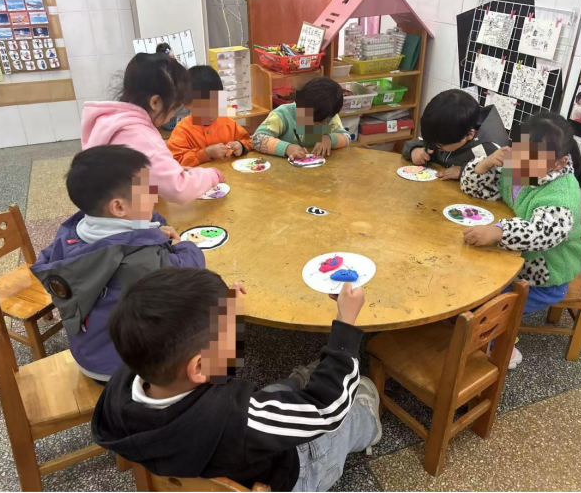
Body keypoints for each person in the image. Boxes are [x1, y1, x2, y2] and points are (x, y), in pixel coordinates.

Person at [91, 269, 383, 492]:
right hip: (290, 475)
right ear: (199, 366)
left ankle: (311, 379)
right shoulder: (236, 419)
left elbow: (212, 373)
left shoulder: (121, 388)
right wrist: (345, 327)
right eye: (231, 331)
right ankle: (369, 424)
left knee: (276, 395)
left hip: (210, 455)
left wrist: (226, 310)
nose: (236, 334)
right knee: (345, 420)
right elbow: (326, 410)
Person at [31, 146, 205, 383]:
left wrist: (152, 229)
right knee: (208, 328)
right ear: (119, 207)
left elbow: (134, 230)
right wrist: (182, 245)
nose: (155, 196)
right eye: (147, 190)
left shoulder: (73, 232)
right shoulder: (137, 261)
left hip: (89, 353)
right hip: (119, 371)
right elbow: (189, 273)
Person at [459, 112, 581, 369]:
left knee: (492, 304)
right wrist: (484, 165)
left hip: (547, 276)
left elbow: (542, 233)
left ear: (559, 163)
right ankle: (472, 324)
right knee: (474, 284)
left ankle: (503, 347)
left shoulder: (562, 195)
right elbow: (486, 190)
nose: (521, 166)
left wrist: (500, 232)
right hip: (518, 259)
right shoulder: (523, 165)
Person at [80, 53, 221, 205]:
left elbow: (134, 173)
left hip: (103, 207)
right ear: (155, 102)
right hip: (123, 215)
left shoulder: (112, 121)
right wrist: (211, 175)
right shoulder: (142, 137)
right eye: (174, 108)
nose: (173, 114)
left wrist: (168, 173)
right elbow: (179, 190)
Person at [403, 89, 510, 181]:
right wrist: (414, 150)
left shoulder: (493, 148)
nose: (435, 147)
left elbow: (503, 184)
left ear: (469, 135)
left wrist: (464, 172)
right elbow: (418, 143)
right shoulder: (444, 129)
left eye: (440, 146)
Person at [167, 65, 252, 167]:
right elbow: (175, 162)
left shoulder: (227, 122)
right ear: (186, 103)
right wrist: (205, 154)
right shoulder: (182, 131)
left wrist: (241, 146)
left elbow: (250, 142)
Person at [252, 77, 351, 160]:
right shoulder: (283, 114)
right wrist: (287, 148)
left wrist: (329, 139)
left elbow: (346, 138)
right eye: (309, 117)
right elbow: (257, 139)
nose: (313, 125)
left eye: (321, 122)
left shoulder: (328, 115)